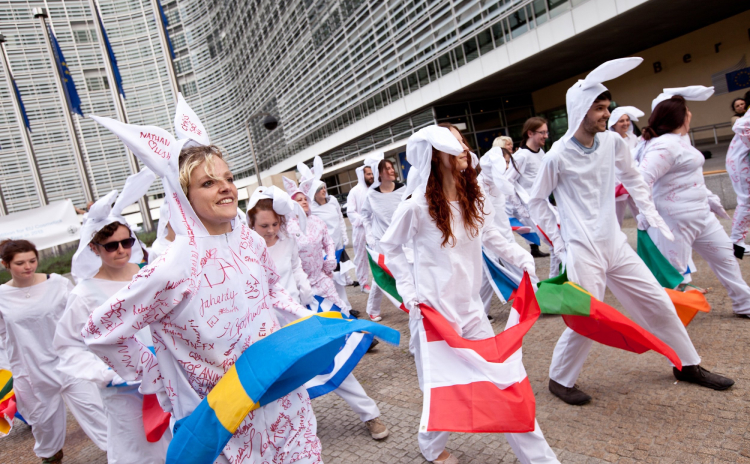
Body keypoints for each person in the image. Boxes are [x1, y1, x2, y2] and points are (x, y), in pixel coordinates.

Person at [86, 108, 323, 463]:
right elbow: (100, 330)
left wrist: (309, 321)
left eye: (227, 178)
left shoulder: (250, 241)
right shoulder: (173, 265)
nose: (225, 187)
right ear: (182, 195)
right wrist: (159, 379)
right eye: (208, 182)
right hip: (223, 424)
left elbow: (273, 291)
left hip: (285, 402)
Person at [528, 58, 735, 408]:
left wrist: (650, 215)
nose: (605, 115)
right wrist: (560, 242)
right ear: (580, 109)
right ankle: (560, 379)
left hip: (615, 244)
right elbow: (536, 202)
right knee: (587, 315)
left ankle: (687, 364)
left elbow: (635, 178)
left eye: (607, 108)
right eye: (599, 109)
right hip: (583, 249)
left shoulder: (612, 143)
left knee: (657, 301)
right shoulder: (557, 155)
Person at [380, 124, 557, 464]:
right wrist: (410, 290)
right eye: (454, 143)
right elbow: (389, 249)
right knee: (443, 390)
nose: (464, 148)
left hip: (472, 312)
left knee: (505, 382)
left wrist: (523, 260)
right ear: (435, 155)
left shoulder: (473, 196)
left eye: (463, 141)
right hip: (435, 319)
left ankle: (542, 460)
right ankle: (431, 448)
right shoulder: (416, 206)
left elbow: (494, 237)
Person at [248, 186, 391, 441]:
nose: (270, 230)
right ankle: (291, 434)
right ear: (251, 223)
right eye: (263, 226)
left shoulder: (287, 240)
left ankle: (370, 414)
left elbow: (296, 269)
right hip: (266, 326)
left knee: (330, 362)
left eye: (274, 224)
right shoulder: (245, 250)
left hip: (298, 316)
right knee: (280, 382)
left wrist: (305, 295)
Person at [54, 168, 171, 463]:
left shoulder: (150, 275)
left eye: (126, 242)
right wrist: (107, 376)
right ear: (94, 248)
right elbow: (67, 347)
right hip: (126, 394)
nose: (121, 250)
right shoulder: (84, 295)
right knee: (139, 453)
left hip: (170, 381)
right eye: (111, 246)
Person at [638, 87, 750, 318]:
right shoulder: (664, 145)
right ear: (680, 116)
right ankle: (665, 320)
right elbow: (640, 181)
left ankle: (744, 304)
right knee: (674, 273)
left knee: (726, 260)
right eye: (688, 111)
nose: (690, 115)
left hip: (700, 215)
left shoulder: (680, 141)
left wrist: (709, 199)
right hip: (675, 219)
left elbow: (692, 178)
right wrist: (647, 214)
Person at [0, 239, 107, 464]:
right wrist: (7, 372)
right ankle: (51, 457)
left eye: (32, 260)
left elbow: (79, 317)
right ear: (6, 264)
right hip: (31, 371)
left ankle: (121, 455)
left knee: (97, 412)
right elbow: (2, 337)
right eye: (20, 263)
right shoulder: (1, 296)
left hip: (70, 362)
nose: (28, 266)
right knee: (43, 425)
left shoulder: (57, 283)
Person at [477, 146, 536, 319]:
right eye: (505, 162)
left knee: (506, 270)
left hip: (503, 235)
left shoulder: (498, 181)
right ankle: (479, 314)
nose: (507, 166)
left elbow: (509, 202)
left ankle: (537, 300)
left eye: (509, 162)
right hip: (489, 238)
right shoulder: (478, 185)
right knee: (489, 274)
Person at [285, 177, 354, 315]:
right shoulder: (287, 228)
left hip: (321, 277)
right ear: (292, 204)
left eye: (305, 199)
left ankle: (352, 333)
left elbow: (328, 242)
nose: (303, 202)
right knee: (313, 316)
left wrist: (330, 258)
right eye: (299, 200)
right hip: (302, 283)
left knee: (340, 307)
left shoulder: (316, 221)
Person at [361, 158, 407, 322]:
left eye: (392, 167)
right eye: (387, 168)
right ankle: (372, 309)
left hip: (401, 239)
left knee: (408, 272)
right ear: (379, 173)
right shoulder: (372, 194)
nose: (392, 170)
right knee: (381, 276)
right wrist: (369, 235)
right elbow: (365, 215)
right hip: (380, 240)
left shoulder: (403, 189)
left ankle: (414, 303)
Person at [608, 106, 645, 227]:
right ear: (613, 124)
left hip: (632, 181)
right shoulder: (608, 141)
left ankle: (646, 243)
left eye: (627, 120)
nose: (626, 123)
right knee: (617, 218)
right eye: (621, 121)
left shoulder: (633, 138)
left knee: (641, 214)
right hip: (617, 184)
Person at [345, 162, 376, 294]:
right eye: (368, 174)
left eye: (372, 173)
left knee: (377, 255)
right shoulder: (355, 191)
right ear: (361, 176)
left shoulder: (375, 189)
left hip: (375, 228)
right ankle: (364, 283)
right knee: (361, 257)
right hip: (361, 230)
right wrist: (364, 219)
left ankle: (380, 281)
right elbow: (351, 211)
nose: (371, 176)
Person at [727, 109, 750, 254]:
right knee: (746, 201)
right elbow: (740, 125)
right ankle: (736, 242)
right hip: (741, 162)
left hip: (741, 159)